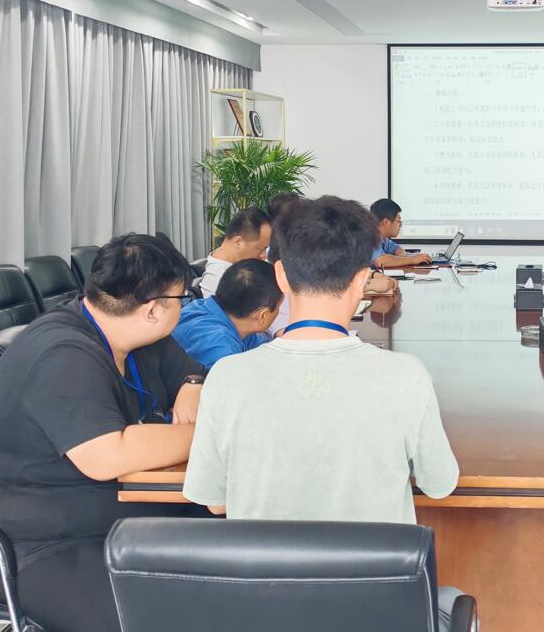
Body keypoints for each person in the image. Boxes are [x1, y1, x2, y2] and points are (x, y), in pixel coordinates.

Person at [0, 234, 203, 632]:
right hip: (19, 541)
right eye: (182, 299)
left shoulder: (132, 334)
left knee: (213, 537)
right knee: (125, 612)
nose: (183, 309)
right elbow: (106, 454)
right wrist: (202, 434)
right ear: (154, 308)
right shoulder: (62, 352)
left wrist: (192, 385)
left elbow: (187, 369)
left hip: (90, 510)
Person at [185, 195, 459, 521]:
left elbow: (215, 502)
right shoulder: (407, 375)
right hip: (371, 557)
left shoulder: (226, 376)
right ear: (361, 281)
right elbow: (438, 485)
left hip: (265, 557)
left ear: (280, 276)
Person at [173, 258, 281, 366]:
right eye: (279, 307)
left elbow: (262, 347)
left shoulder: (201, 307)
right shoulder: (224, 354)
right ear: (262, 316)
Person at [198, 207, 271, 298]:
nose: (264, 255)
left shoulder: (239, 263)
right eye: (261, 249)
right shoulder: (219, 283)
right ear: (238, 243)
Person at [369, 198, 433, 268]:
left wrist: (399, 259)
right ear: (386, 222)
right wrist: (412, 260)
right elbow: (380, 261)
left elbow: (400, 251)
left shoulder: (385, 241)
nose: (400, 225)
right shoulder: (368, 238)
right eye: (398, 221)